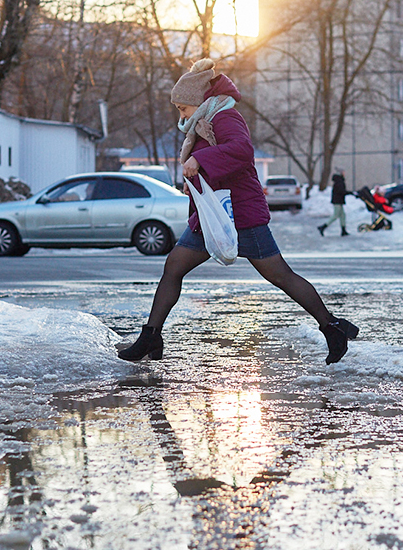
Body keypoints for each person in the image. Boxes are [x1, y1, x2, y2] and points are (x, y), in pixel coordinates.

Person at [118, 59, 358, 364]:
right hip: (213, 215)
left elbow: (242, 151)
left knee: (281, 276)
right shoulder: (203, 121)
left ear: (199, 100)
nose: (181, 115)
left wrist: (201, 160)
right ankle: (151, 336)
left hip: (240, 214)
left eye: (183, 108)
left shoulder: (225, 116)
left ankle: (332, 327)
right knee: (174, 267)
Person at [317, 169, 350, 237]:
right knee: (336, 215)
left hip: (339, 201)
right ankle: (323, 227)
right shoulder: (339, 182)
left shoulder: (339, 181)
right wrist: (349, 193)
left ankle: (343, 230)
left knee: (342, 215)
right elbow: (341, 191)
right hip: (337, 201)